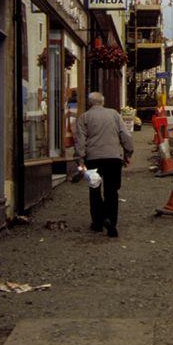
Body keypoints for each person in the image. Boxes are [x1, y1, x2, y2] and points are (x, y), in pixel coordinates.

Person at [75, 91, 134, 237]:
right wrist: (128, 153)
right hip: (113, 158)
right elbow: (125, 134)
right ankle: (111, 221)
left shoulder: (84, 117)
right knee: (112, 191)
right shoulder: (114, 114)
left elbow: (80, 141)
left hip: (93, 159)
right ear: (102, 102)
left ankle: (97, 223)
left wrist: (80, 159)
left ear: (90, 103)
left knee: (94, 190)